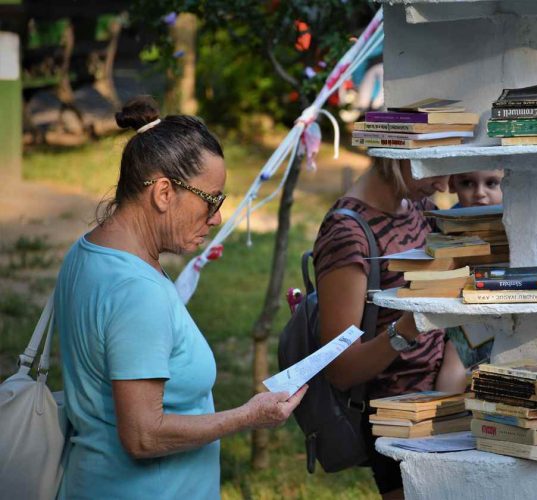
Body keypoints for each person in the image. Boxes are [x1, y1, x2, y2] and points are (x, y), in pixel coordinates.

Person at [55, 95, 306, 500]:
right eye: (212, 199)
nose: (217, 217)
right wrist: (247, 416)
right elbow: (143, 435)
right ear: (163, 193)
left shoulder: (86, 252)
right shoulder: (137, 291)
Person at [314, 157, 462, 499]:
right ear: (400, 153)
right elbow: (340, 370)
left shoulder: (419, 207)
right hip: (396, 421)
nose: (444, 186)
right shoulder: (346, 234)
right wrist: (409, 325)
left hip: (444, 405)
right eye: (435, 169)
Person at [437, 168, 505, 391]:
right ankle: (446, 411)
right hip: (467, 309)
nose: (479, 193)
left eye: (492, 183)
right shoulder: (449, 225)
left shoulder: (517, 219)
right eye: (467, 183)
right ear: (452, 184)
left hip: (511, 305)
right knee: (456, 354)